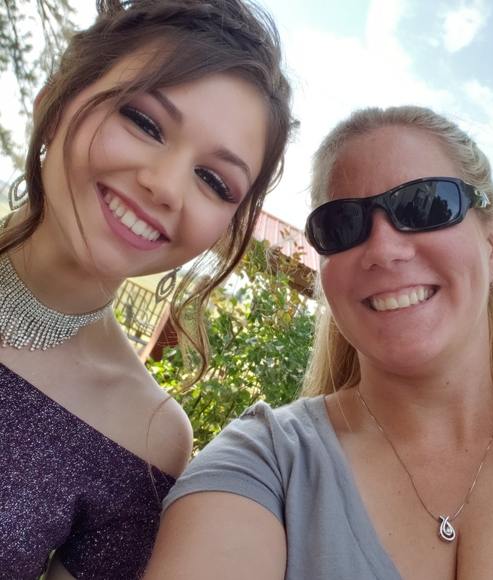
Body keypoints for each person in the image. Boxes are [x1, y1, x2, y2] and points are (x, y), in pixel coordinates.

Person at [144, 105, 493, 579]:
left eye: (424, 206)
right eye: (342, 224)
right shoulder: (264, 464)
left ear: (492, 244)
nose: (383, 249)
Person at [0, 0, 293, 577]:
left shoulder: (145, 435)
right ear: (55, 99)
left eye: (214, 181)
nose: (165, 186)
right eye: (144, 122)